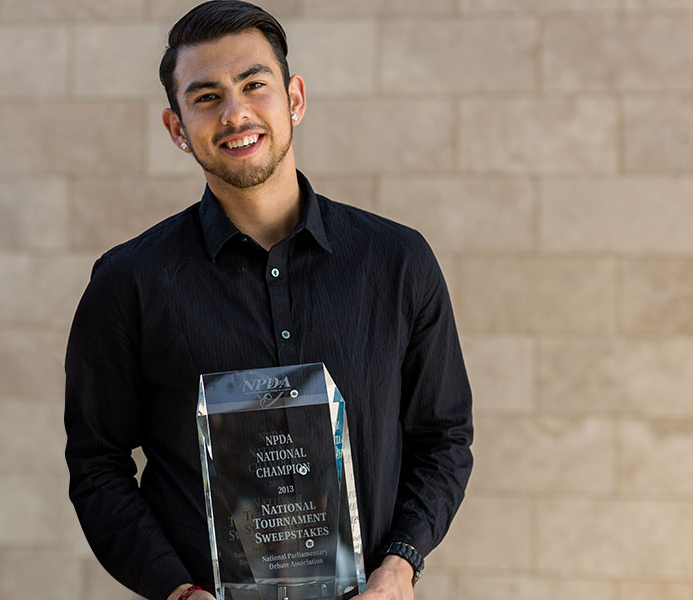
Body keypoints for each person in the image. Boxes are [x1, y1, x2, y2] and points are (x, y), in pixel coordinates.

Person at [63, 2, 473, 599]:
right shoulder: (128, 282)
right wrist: (174, 589)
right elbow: (97, 464)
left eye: (254, 84)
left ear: (295, 99)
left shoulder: (398, 262)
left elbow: (444, 438)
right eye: (205, 97)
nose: (235, 113)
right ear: (178, 128)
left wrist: (400, 565)